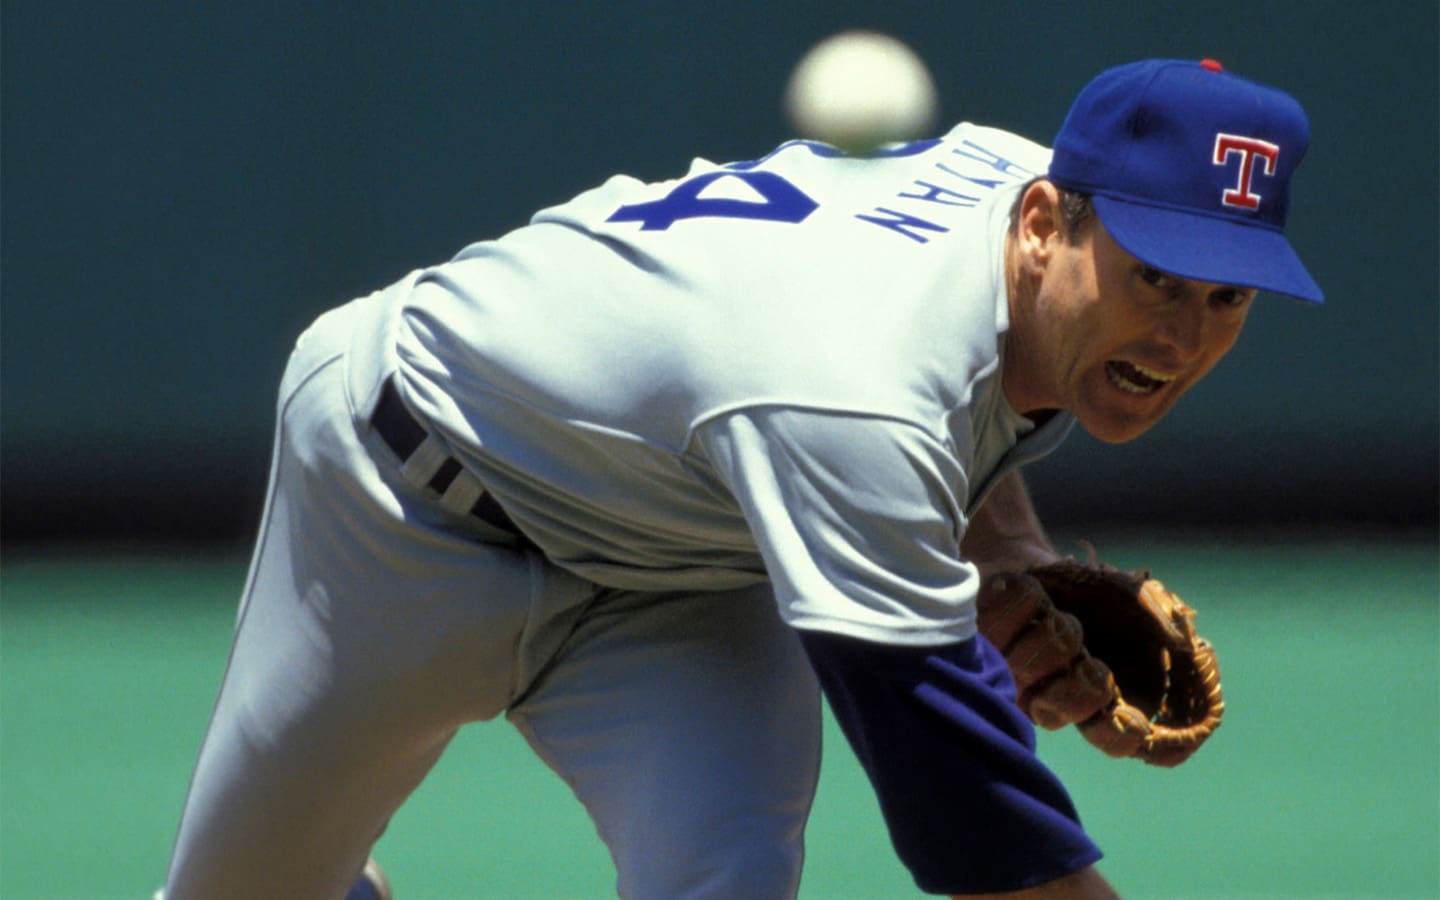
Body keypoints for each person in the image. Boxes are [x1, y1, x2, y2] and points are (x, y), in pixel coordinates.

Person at [160, 58, 1322, 899]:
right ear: (1039, 226)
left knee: (724, 878)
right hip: (409, 491)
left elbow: (952, 408)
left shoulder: (1036, 197)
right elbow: (966, 813)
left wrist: (1009, 559)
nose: (1183, 337)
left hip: (689, 559)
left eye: (1228, 298)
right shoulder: (851, 381)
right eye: (1158, 278)